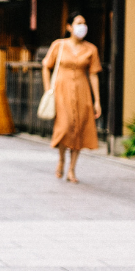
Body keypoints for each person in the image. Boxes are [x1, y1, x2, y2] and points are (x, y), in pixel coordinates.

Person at [41, 12, 102, 184]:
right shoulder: (58, 45)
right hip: (61, 91)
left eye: (84, 23)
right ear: (69, 27)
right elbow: (46, 66)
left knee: (79, 128)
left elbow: (94, 74)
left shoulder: (91, 49)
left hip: (82, 91)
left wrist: (97, 100)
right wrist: (48, 89)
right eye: (78, 23)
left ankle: (72, 169)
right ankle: (61, 159)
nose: (82, 26)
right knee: (65, 126)